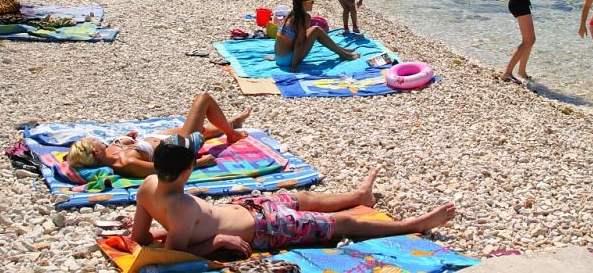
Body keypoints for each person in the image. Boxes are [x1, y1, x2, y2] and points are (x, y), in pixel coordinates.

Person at [131, 150, 455, 257]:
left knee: (303, 198)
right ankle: (412, 225)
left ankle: (359, 197)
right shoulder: (181, 209)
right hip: (267, 227)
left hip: (247, 205)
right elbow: (174, 259)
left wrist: (161, 235)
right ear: (185, 172)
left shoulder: (148, 186)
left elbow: (139, 237)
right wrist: (215, 242)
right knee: (340, 225)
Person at [67, 92, 250, 178]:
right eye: (92, 141)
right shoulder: (125, 163)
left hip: (158, 139)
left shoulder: (110, 151)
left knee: (201, 127)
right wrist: (200, 163)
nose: (94, 139)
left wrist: (128, 137)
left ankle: (231, 124)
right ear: (96, 153)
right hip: (177, 148)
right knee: (203, 99)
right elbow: (162, 170)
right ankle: (231, 133)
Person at [274, 0, 359, 73]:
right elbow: (299, 42)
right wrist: (294, 65)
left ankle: (341, 50)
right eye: (312, 1)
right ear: (304, 3)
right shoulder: (304, 17)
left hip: (279, 58)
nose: (313, 4)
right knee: (316, 30)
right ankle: (344, 55)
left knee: (313, 30)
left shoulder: (292, 14)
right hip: (288, 60)